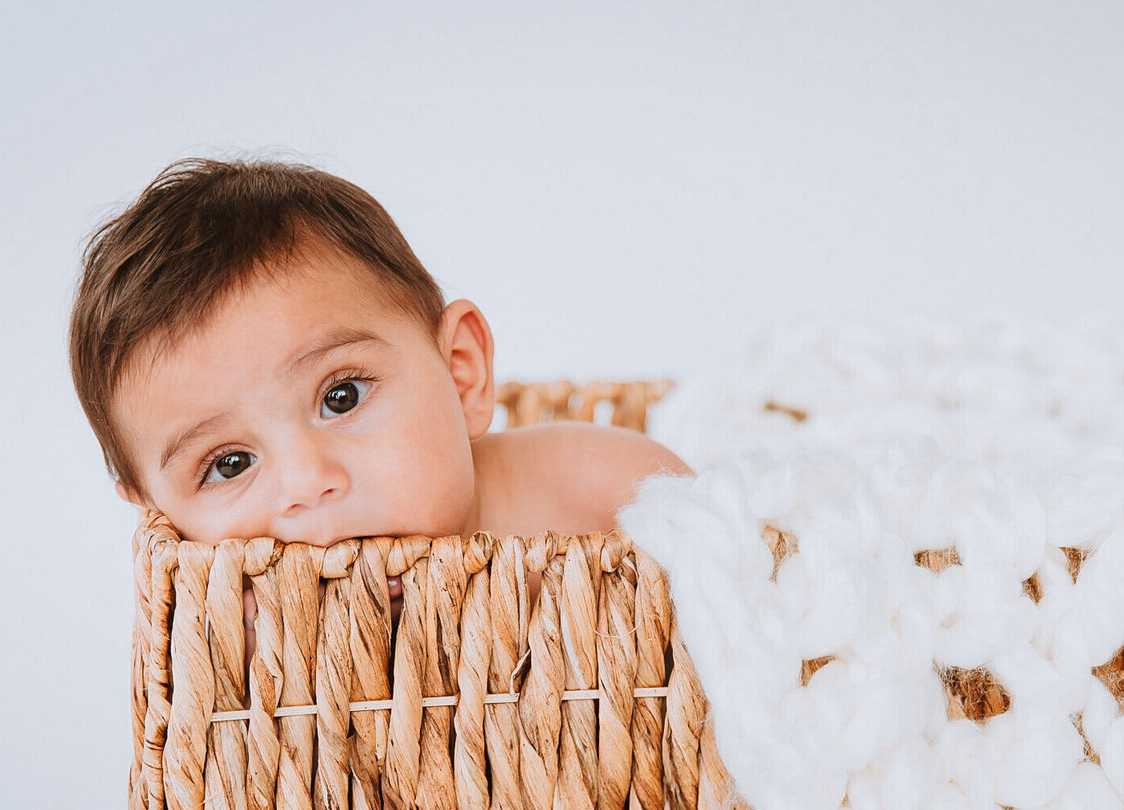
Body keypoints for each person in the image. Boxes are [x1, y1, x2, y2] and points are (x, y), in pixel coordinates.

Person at [69, 157, 690, 561]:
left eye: (341, 397)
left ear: (461, 372)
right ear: (161, 518)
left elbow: (735, 586)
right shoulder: (228, 648)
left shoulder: (605, 495)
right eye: (229, 465)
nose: (308, 484)